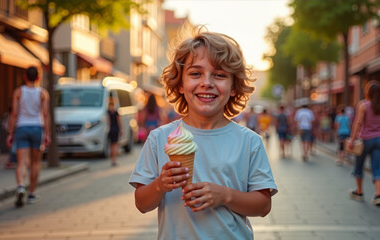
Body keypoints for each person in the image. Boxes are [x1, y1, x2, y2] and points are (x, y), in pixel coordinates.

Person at [129, 26, 278, 239]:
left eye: (219, 75)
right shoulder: (159, 138)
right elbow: (142, 203)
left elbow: (263, 206)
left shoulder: (249, 142)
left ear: (234, 87)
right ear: (180, 84)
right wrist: (160, 184)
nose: (206, 83)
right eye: (196, 73)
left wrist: (225, 195)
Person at [7, 66, 50, 207]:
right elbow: (45, 115)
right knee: (35, 163)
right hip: (37, 128)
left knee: (22, 162)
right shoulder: (42, 93)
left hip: (21, 127)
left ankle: (20, 186)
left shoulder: (18, 92)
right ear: (38, 78)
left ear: (25, 77)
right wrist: (47, 134)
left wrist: (10, 133)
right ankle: (31, 194)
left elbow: (14, 114)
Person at [348, 80, 380, 207]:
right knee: (376, 168)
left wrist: (352, 140)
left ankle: (359, 192)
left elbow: (358, 123)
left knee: (359, 166)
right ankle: (378, 195)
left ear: (368, 92)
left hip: (365, 140)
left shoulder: (363, 105)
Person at [107, 102, 122, 166]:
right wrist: (121, 129)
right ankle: (114, 160)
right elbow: (119, 121)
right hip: (115, 130)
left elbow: (108, 122)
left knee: (111, 145)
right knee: (115, 145)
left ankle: (112, 160)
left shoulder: (108, 113)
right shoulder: (116, 112)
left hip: (111, 130)